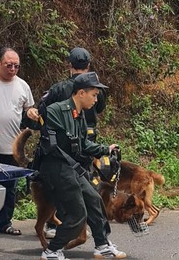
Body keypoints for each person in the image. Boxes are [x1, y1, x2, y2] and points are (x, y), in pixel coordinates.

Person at [38, 72, 126, 260]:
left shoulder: (80, 115)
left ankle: (102, 245)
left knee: (94, 199)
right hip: (57, 168)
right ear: (80, 93)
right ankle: (52, 251)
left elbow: (83, 144)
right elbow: (52, 148)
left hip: (72, 168)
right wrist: (75, 166)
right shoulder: (56, 111)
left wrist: (105, 149)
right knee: (78, 214)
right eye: (94, 95)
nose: (96, 99)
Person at [40, 47, 107, 238]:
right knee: (86, 181)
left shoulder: (59, 88)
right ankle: (85, 228)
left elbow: (42, 109)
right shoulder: (96, 88)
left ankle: (60, 224)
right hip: (87, 141)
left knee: (66, 183)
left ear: (69, 65)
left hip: (64, 146)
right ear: (88, 66)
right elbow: (100, 109)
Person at [0, 47, 38, 236]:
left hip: (12, 147)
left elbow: (28, 108)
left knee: (10, 187)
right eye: (9, 65)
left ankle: (5, 223)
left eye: (16, 66)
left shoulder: (22, 86)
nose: (12, 69)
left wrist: (31, 113)